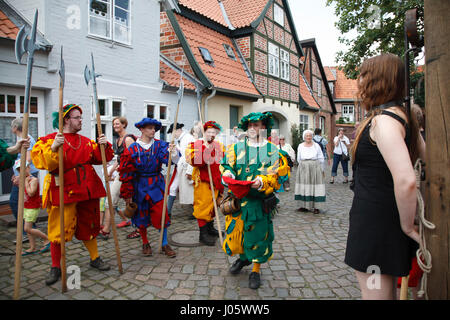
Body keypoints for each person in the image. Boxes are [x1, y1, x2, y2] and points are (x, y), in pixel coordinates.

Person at [344, 53, 425, 300]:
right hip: (383, 220)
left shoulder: (383, 122)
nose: (359, 83)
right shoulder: (403, 117)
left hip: (376, 226)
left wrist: (406, 224)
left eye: (363, 76)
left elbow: (406, 179)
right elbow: (427, 156)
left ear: (377, 80)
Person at [31, 104, 113, 286]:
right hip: (63, 190)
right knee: (58, 229)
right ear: (66, 119)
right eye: (77, 118)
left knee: (89, 226)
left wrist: (103, 145)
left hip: (87, 189)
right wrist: (53, 148)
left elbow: (101, 159)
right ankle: (55, 267)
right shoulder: (49, 140)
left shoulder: (85, 141)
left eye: (81, 118)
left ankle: (95, 258)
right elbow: (40, 161)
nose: (80, 121)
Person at [221, 112, 289, 290]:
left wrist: (261, 182)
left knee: (258, 236)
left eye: (257, 125)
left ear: (263, 127)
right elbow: (227, 165)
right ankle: (243, 260)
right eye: (250, 125)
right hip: (237, 201)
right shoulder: (236, 148)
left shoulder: (272, 151)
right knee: (238, 235)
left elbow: (276, 177)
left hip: (258, 203)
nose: (253, 128)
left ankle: (256, 270)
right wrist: (227, 173)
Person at [119, 118, 179, 257]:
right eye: (150, 128)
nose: (153, 131)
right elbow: (126, 172)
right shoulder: (132, 148)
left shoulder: (160, 145)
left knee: (161, 214)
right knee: (141, 215)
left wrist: (173, 153)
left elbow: (172, 161)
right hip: (139, 185)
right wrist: (127, 193)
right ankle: (145, 242)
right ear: (142, 129)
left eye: (154, 128)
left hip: (156, 184)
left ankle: (164, 243)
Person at [185, 121, 225, 246]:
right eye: (209, 132)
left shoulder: (219, 145)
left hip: (216, 180)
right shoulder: (195, 145)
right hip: (203, 181)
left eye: (214, 132)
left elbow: (223, 160)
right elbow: (194, 161)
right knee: (203, 206)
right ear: (204, 132)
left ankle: (210, 228)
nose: (212, 134)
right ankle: (203, 234)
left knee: (213, 206)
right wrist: (204, 150)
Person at [106, 117, 139, 240]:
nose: (115, 126)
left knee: (127, 202)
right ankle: (107, 229)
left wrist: (129, 178)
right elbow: (120, 160)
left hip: (128, 175)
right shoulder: (118, 140)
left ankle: (136, 228)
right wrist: (111, 171)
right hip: (121, 173)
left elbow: (135, 158)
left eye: (117, 123)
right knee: (125, 202)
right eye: (114, 124)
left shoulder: (128, 139)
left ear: (124, 124)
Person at [10, 118, 39, 243]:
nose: (11, 128)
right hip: (20, 176)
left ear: (16, 127)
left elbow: (28, 160)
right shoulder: (20, 139)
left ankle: (27, 230)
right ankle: (29, 229)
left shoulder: (27, 139)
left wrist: (20, 176)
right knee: (19, 203)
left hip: (26, 176)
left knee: (15, 202)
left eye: (12, 126)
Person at [16, 162, 50, 255]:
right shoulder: (24, 179)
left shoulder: (33, 180)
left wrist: (25, 183)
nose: (21, 171)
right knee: (28, 229)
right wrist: (19, 184)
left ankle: (47, 239)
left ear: (28, 168)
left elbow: (31, 193)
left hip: (33, 207)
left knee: (27, 228)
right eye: (19, 170)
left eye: (23, 168)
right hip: (26, 206)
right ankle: (32, 247)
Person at [167, 123, 195, 217]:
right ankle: (168, 212)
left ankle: (196, 211)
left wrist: (190, 171)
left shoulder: (188, 138)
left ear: (178, 130)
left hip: (188, 169)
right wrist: (173, 152)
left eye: (173, 132)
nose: (173, 135)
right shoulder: (180, 140)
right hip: (181, 168)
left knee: (191, 190)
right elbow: (178, 159)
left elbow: (192, 156)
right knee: (173, 188)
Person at [294, 130, 326, 214]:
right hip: (304, 167)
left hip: (315, 167)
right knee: (304, 186)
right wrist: (302, 168)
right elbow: (299, 158)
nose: (308, 137)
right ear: (304, 137)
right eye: (307, 136)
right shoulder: (300, 146)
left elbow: (321, 158)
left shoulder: (316, 146)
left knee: (315, 187)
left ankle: (316, 207)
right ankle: (304, 205)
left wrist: (322, 170)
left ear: (312, 137)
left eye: (310, 135)